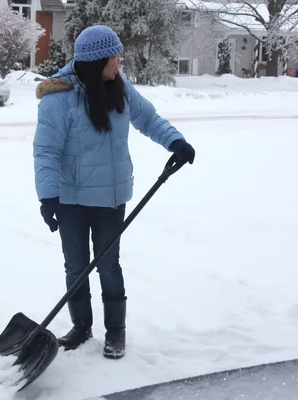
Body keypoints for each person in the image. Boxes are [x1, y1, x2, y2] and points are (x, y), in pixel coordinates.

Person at [32, 25, 195, 359]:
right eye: (114, 56)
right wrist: (48, 196)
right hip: (71, 200)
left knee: (109, 266)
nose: (119, 61)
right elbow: (45, 151)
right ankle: (80, 327)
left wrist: (175, 141)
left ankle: (115, 333)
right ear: (96, 61)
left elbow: (148, 119)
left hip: (110, 197)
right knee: (76, 267)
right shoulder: (59, 97)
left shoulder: (119, 88)